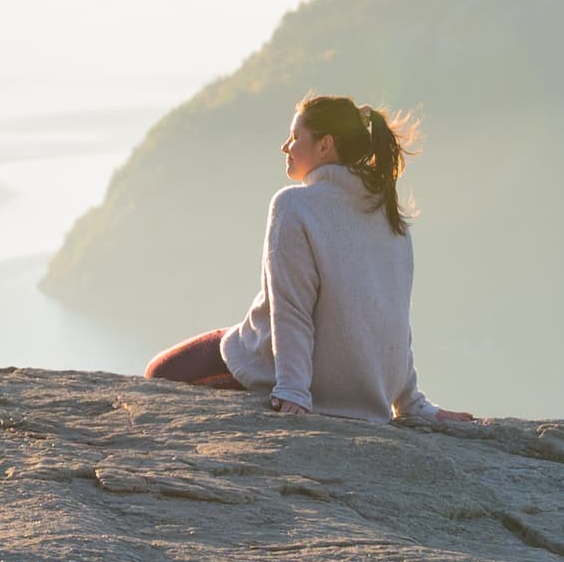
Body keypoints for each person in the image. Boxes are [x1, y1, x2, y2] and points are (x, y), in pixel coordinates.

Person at [144, 94, 476, 425]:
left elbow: (292, 309)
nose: (285, 147)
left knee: (160, 372)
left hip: (305, 378)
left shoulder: (295, 206)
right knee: (227, 334)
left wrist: (294, 392)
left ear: (324, 146)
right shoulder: (391, 216)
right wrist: (411, 401)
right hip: (371, 390)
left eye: (295, 137)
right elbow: (392, 317)